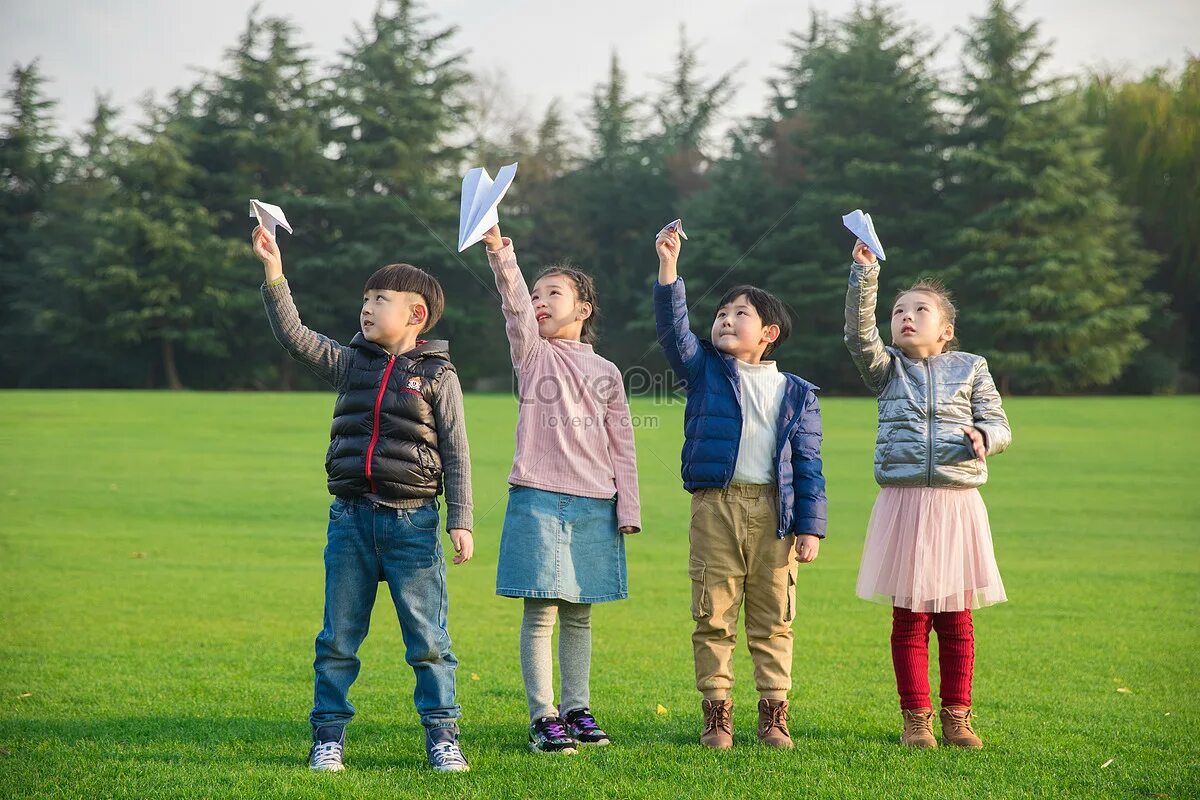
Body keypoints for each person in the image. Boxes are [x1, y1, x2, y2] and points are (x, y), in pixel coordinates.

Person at [252, 225, 473, 773]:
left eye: (380, 300)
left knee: (428, 642)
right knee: (337, 640)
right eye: (366, 300)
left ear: (416, 314)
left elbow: (458, 451)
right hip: (350, 521)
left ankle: (443, 737)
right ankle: (328, 738)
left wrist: (461, 520)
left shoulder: (437, 374)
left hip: (413, 525)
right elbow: (295, 336)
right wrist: (274, 270)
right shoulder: (351, 362)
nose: (367, 309)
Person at [653, 221, 827, 750]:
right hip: (714, 508)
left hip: (775, 513)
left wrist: (810, 529)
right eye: (721, 315)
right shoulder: (703, 369)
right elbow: (673, 331)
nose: (726, 320)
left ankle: (773, 716)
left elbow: (809, 465)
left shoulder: (797, 393)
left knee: (774, 619)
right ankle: (717, 716)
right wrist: (668, 267)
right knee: (713, 613)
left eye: (740, 315)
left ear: (768, 333)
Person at [475, 223, 641, 755]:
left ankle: (578, 709)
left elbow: (624, 446)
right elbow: (515, 309)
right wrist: (500, 250)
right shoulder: (534, 356)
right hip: (539, 498)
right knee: (541, 612)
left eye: (554, 293)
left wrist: (627, 506)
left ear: (584, 308)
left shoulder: (609, 372)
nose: (540, 302)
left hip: (596, 502)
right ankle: (543, 717)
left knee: (581, 612)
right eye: (537, 293)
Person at [844, 237, 1011, 749]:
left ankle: (957, 716)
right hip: (904, 505)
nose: (907, 317)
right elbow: (858, 335)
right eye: (899, 311)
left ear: (947, 331)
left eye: (921, 310)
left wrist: (987, 438)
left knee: (956, 620)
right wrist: (865, 276)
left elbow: (998, 422)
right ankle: (916, 717)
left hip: (958, 507)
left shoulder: (972, 367)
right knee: (910, 618)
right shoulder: (887, 368)